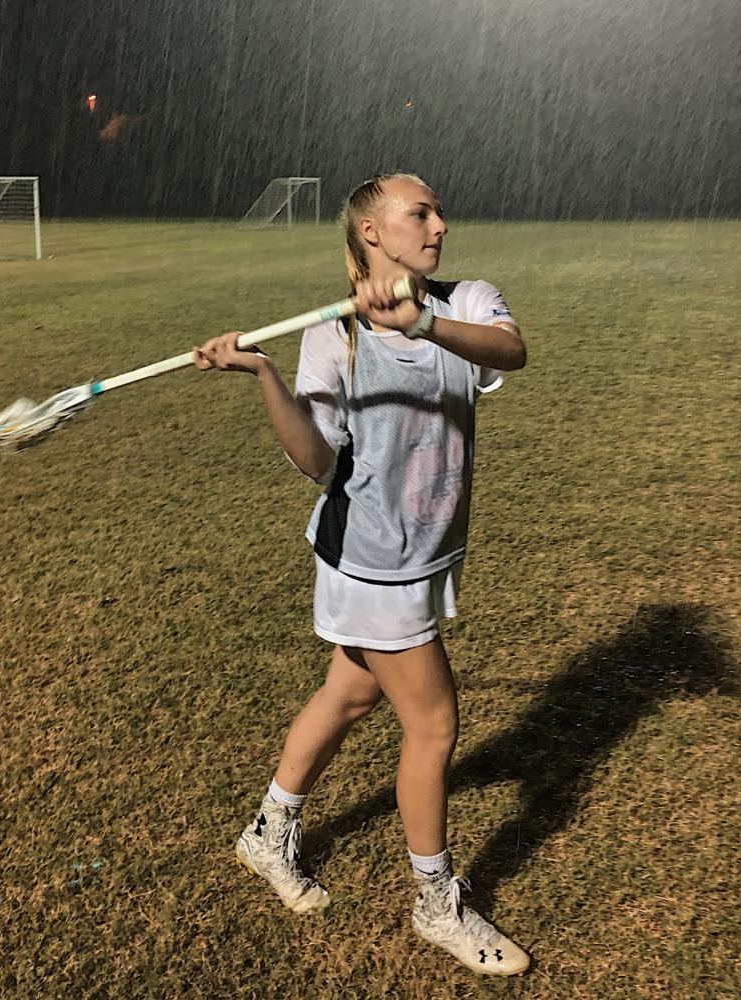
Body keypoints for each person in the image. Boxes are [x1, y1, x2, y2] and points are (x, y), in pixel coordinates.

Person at [192, 173, 530, 977]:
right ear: (371, 234)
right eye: (420, 214)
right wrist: (265, 375)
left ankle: (266, 831)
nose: (440, 224)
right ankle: (434, 901)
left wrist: (423, 320)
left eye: (437, 210)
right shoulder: (332, 335)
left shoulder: (467, 301)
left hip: (423, 550)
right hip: (372, 560)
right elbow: (315, 460)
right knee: (434, 724)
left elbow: (511, 353)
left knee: (348, 693)